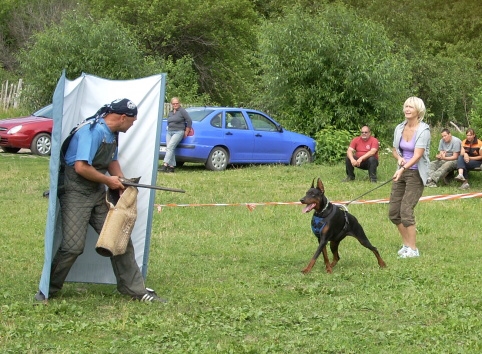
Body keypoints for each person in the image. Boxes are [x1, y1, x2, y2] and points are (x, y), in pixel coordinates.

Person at [35, 98, 165, 303]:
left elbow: (111, 160)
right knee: (72, 246)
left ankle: (136, 290)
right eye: (132, 121)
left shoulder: (111, 133)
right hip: (75, 191)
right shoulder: (92, 131)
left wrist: (121, 182)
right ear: (123, 117)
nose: (132, 125)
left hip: (96, 191)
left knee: (118, 239)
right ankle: (47, 289)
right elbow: (81, 167)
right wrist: (108, 181)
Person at [389, 96, 431, 259]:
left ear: (418, 110)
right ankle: (406, 244)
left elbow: (418, 155)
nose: (407, 109)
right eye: (406, 106)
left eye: (411, 107)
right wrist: (399, 159)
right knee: (394, 213)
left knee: (406, 210)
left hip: (415, 173)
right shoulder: (399, 128)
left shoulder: (423, 130)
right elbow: (394, 149)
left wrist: (402, 169)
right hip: (402, 170)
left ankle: (413, 250)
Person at [159, 97, 192, 173]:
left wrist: (186, 131)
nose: (175, 105)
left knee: (170, 147)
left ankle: (165, 164)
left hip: (178, 131)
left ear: (179, 103)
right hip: (169, 131)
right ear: (171, 104)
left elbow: (189, 120)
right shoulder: (170, 112)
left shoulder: (182, 111)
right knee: (170, 148)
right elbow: (168, 121)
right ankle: (171, 167)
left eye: (176, 103)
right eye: (174, 103)